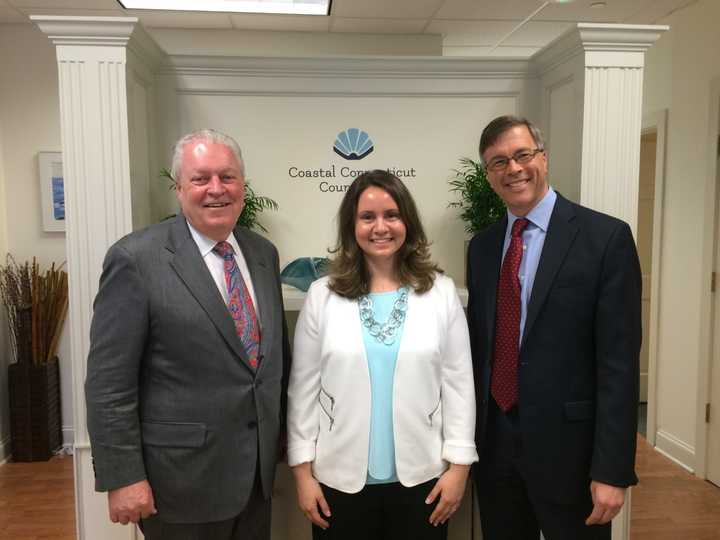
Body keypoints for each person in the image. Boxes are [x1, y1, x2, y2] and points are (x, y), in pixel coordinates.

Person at [85, 129, 290, 540]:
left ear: (243, 187)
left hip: (255, 482)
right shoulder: (136, 260)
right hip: (179, 486)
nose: (216, 189)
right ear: (179, 188)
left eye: (227, 177)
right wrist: (123, 477)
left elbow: (272, 361)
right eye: (201, 179)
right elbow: (109, 383)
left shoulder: (263, 254)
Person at [466, 115, 641, 540]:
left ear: (543, 157)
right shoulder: (483, 247)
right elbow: (480, 350)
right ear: (489, 175)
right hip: (495, 449)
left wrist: (612, 470)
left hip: (572, 455)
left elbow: (618, 365)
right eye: (498, 162)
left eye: (523, 154)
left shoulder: (605, 239)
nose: (513, 169)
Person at [287, 170, 478, 540]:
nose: (381, 227)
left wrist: (459, 469)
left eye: (391, 214)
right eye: (367, 217)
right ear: (351, 225)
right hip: (337, 482)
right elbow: (303, 391)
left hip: (424, 480)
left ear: (407, 221)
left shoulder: (440, 292)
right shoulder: (321, 294)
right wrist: (302, 475)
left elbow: (459, 384)